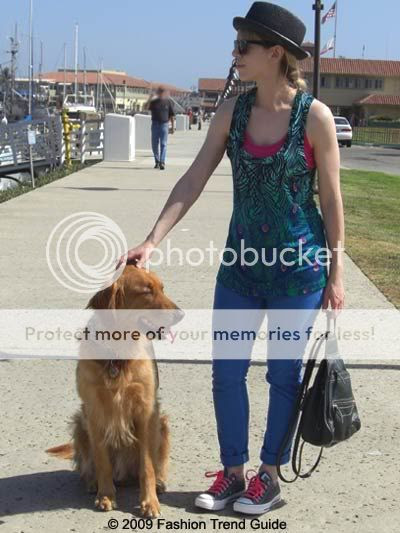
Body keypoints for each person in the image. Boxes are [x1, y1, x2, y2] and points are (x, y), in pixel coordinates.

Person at [118, 1, 344, 516]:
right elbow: (194, 178)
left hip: (299, 271)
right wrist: (152, 239)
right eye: (236, 45)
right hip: (240, 267)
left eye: (245, 46)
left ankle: (269, 477)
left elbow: (332, 200)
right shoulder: (231, 112)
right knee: (226, 374)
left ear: (276, 54)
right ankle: (233, 473)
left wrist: (336, 274)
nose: (235, 54)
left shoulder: (314, 118)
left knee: (283, 376)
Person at [145, 86, 175, 170]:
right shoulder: (153, 102)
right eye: (160, 91)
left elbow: (172, 115)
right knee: (154, 144)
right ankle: (157, 161)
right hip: (155, 124)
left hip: (164, 124)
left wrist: (172, 127)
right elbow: (146, 107)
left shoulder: (168, 102)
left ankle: (162, 162)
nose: (161, 93)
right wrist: (149, 98)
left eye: (162, 91)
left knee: (163, 144)